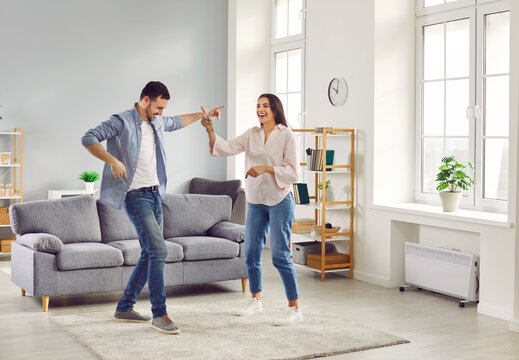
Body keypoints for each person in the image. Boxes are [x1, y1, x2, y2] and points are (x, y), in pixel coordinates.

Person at [81, 81, 223, 335]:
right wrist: (112, 160)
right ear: (145, 100)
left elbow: (177, 121)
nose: (160, 113)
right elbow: (88, 138)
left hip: (156, 195)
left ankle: (124, 307)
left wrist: (205, 114)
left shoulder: (157, 121)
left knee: (149, 253)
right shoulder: (121, 120)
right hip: (135, 197)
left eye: (163, 109)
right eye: (158, 107)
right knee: (158, 250)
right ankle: (160, 314)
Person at [200, 93, 302, 326]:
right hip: (256, 200)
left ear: (275, 109)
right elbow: (225, 148)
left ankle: (294, 308)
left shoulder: (286, 135)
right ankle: (255, 301)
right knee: (252, 253)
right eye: (258, 106)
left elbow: (293, 172)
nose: (260, 109)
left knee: (279, 255)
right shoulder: (252, 134)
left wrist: (266, 168)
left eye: (265, 105)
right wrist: (210, 130)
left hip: (280, 200)